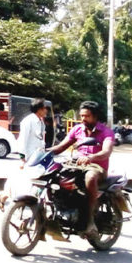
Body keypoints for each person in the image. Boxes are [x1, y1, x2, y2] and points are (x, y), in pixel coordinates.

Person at [49, 101, 115, 238]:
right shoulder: (77, 129)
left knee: (90, 177)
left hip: (97, 167)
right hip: (77, 165)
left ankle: (90, 221)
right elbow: (61, 147)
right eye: (82, 116)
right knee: (54, 175)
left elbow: (106, 152)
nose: (83, 119)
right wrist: (42, 152)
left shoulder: (106, 132)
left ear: (95, 116)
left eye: (87, 116)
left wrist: (91, 158)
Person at [0, 98, 47, 211]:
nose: (46, 111)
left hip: (37, 156)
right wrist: (22, 158)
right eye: (44, 108)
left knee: (28, 180)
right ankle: (10, 200)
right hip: (28, 157)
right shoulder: (28, 121)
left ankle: (5, 197)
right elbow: (22, 140)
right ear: (38, 109)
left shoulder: (41, 122)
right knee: (20, 180)